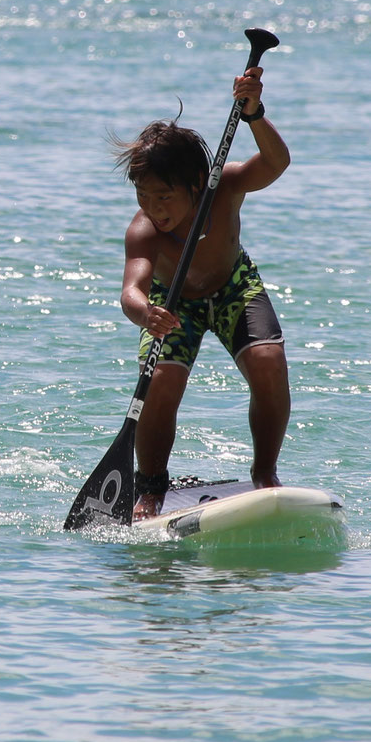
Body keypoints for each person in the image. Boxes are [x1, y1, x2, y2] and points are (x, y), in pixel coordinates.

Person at [113, 66, 291, 520]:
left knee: (268, 364)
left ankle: (265, 473)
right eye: (143, 196)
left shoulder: (224, 187)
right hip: (171, 304)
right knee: (163, 383)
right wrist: (144, 313)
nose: (154, 209)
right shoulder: (144, 229)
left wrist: (254, 115)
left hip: (234, 287)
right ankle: (151, 486)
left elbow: (276, 163)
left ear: (196, 183)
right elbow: (132, 289)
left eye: (165, 197)